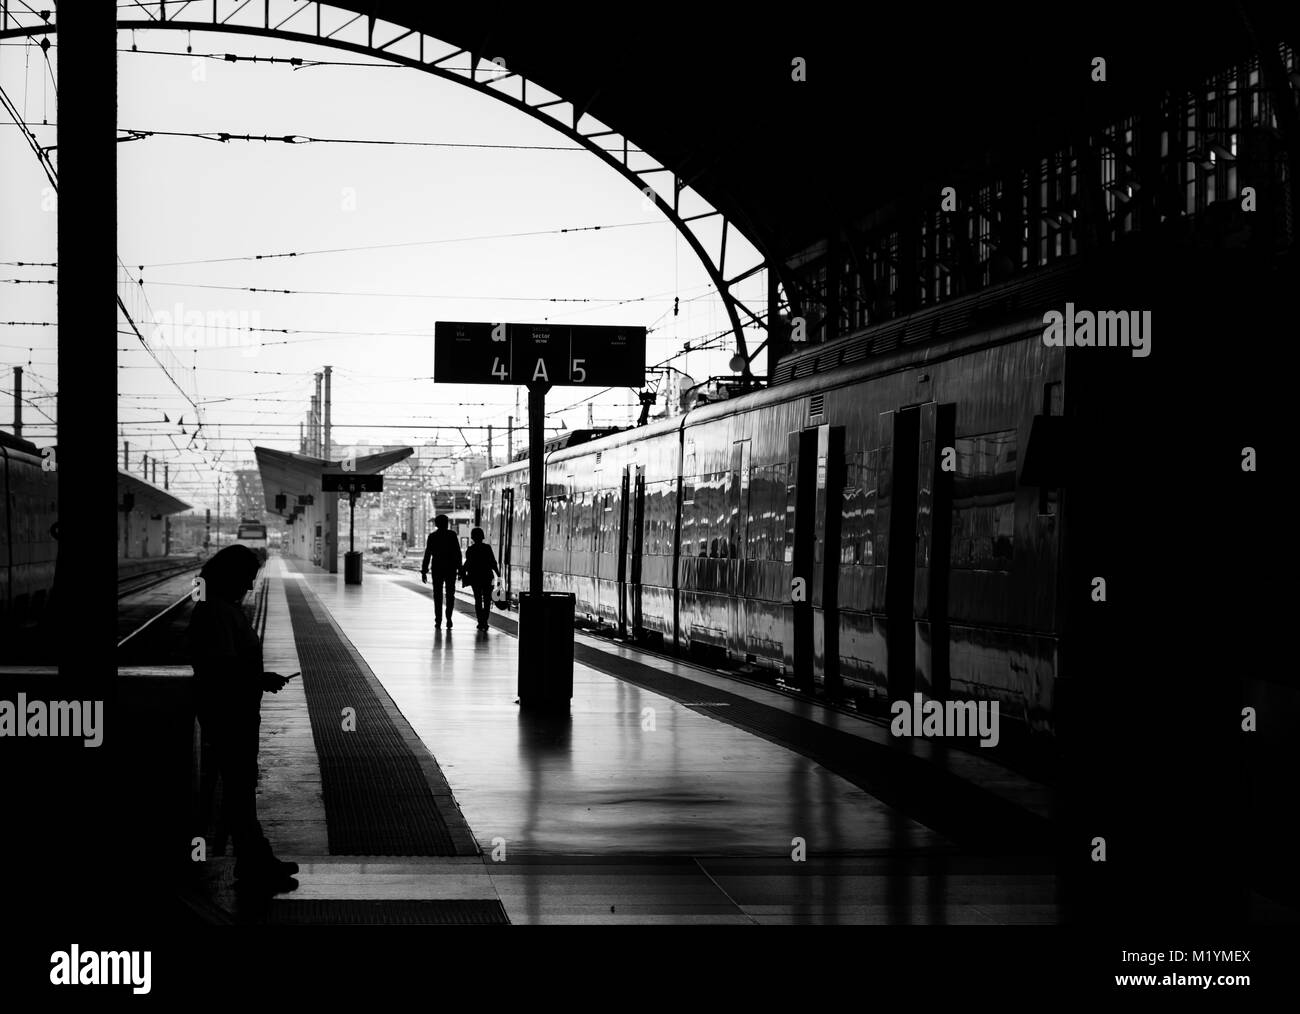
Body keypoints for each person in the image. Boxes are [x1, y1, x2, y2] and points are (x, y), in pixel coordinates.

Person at [185, 544, 298, 891]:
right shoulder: (218, 614)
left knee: (239, 787)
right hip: (229, 712)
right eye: (247, 578)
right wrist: (260, 679)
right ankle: (254, 862)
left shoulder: (219, 609)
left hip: (233, 709)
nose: (250, 586)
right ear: (231, 576)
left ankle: (255, 859)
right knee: (238, 787)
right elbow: (221, 668)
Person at [421, 514, 462, 629]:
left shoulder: (432, 536)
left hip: (437, 568)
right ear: (447, 523)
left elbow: (427, 554)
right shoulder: (452, 535)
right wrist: (460, 569)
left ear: (436, 524)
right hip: (450, 568)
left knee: (437, 595)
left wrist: (424, 571)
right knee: (450, 595)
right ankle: (449, 618)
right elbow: (457, 553)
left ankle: (438, 620)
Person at [460, 527, 500, 631]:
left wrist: (463, 574)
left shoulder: (470, 549)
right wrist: (498, 574)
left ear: (472, 537)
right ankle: (485, 622)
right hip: (487, 577)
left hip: (475, 578)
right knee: (487, 600)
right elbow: (493, 562)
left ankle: (480, 622)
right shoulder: (487, 548)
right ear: (482, 537)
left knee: (478, 600)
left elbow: (467, 564)